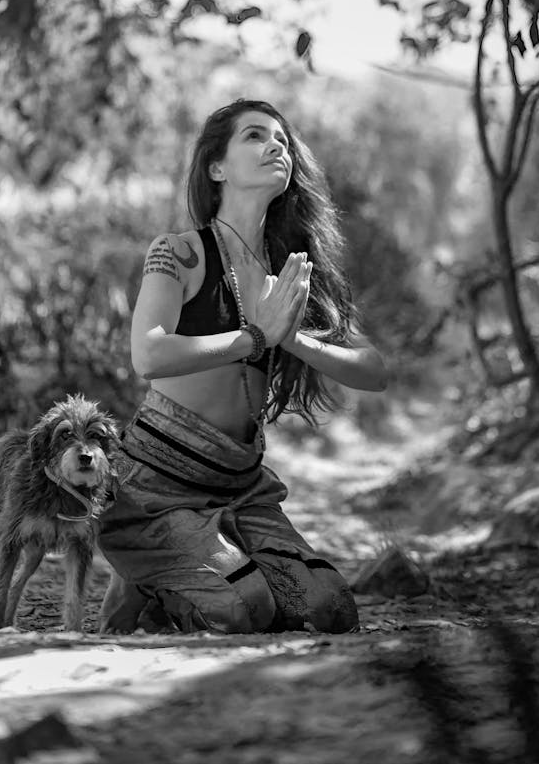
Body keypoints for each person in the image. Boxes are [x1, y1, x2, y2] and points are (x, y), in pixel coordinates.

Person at [98, 99, 387, 635]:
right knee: (241, 610)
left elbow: (373, 370)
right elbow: (150, 355)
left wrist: (291, 337)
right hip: (158, 483)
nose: (276, 145)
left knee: (330, 609)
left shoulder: (295, 270)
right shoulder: (180, 252)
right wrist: (254, 336)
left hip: (241, 484)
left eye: (282, 139)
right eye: (255, 136)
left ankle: (196, 568)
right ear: (217, 168)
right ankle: (155, 569)